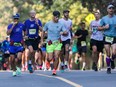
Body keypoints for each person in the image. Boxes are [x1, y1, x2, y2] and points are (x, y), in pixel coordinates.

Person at [43, 10, 67, 75]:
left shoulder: (61, 24)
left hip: (57, 43)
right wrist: (42, 41)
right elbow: (43, 31)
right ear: (53, 17)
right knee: (49, 58)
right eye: (56, 17)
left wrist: (63, 32)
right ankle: (48, 61)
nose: (57, 18)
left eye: (58, 17)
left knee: (56, 56)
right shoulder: (48, 24)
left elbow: (66, 32)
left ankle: (54, 70)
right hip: (50, 43)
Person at [98, 4, 116, 74]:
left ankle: (112, 60)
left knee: (114, 52)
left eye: (112, 8)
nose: (111, 10)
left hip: (114, 37)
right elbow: (99, 28)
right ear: (107, 10)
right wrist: (104, 27)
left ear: (114, 10)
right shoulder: (104, 18)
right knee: (108, 53)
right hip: (107, 37)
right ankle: (108, 67)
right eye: (110, 8)